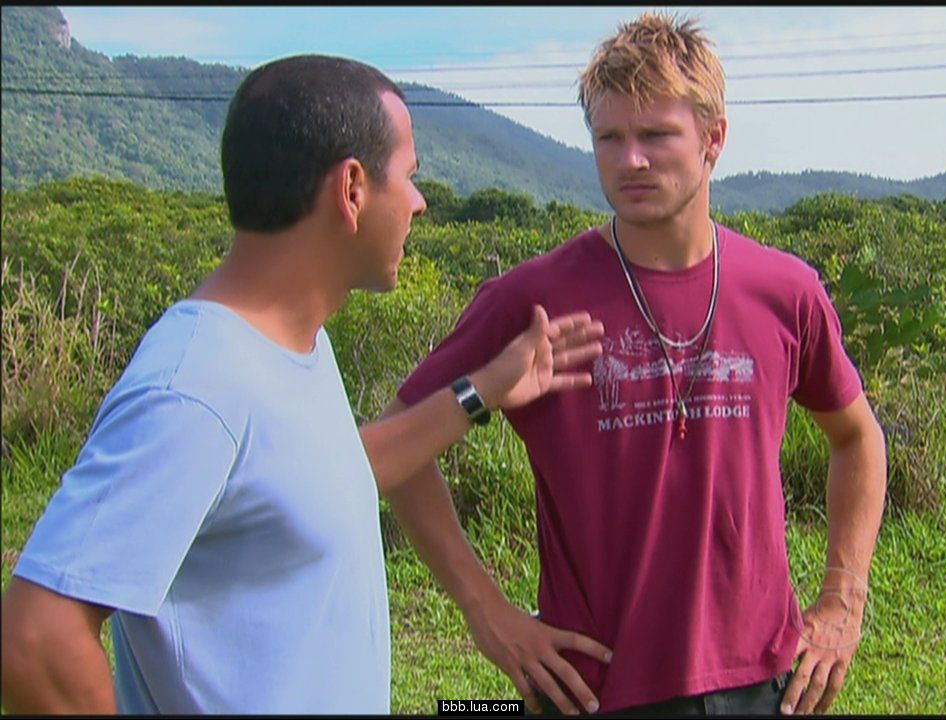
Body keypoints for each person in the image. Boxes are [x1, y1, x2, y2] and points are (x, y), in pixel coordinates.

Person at [0, 54, 611, 715]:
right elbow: (37, 641)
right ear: (352, 188)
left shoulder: (289, 343)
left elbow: (322, 477)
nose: (418, 201)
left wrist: (484, 389)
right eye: (408, 176)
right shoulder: (195, 388)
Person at [381, 13, 887, 717]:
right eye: (609, 139)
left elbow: (856, 435)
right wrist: (486, 612)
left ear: (714, 140)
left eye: (655, 136)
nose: (630, 161)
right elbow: (398, 440)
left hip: (765, 682)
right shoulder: (533, 298)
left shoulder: (783, 290)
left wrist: (844, 599)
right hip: (593, 686)